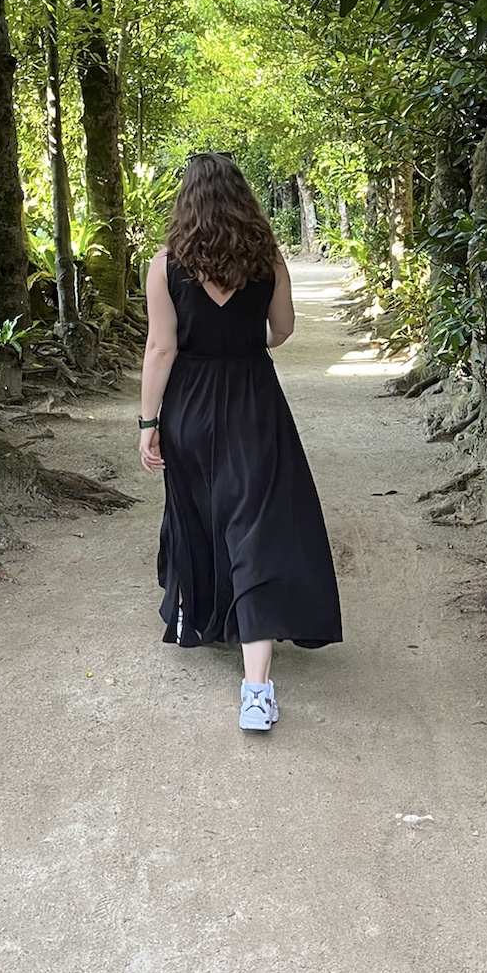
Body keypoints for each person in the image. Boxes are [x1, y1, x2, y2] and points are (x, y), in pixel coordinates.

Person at [138, 152, 343, 732]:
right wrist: (244, 343)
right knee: (257, 525)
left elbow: (160, 350)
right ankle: (257, 690)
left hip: (189, 404)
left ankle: (191, 618)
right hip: (253, 398)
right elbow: (283, 330)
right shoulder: (267, 258)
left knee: (196, 511)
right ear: (243, 196)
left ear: (187, 201)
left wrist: (148, 424)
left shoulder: (166, 265)